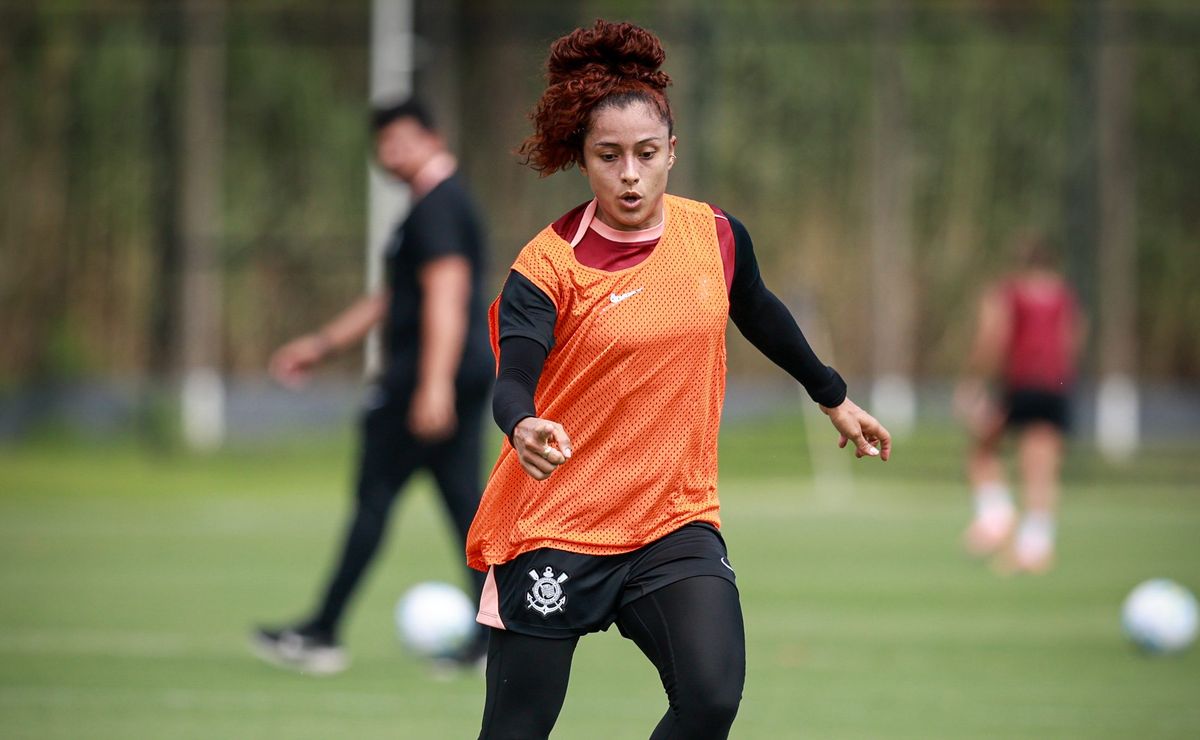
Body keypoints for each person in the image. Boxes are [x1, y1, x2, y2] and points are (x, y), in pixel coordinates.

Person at [466, 20, 891, 739]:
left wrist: (833, 396)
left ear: (672, 153)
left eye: (645, 154)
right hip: (555, 524)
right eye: (608, 157)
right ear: (582, 158)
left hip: (672, 521)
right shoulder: (547, 267)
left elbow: (758, 310)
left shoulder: (714, 236)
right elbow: (514, 377)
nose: (629, 174)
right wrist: (522, 422)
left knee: (711, 697)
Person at [251, 98, 494, 675]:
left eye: (401, 139)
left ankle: (322, 632)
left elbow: (446, 294)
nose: (389, 152)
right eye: (381, 143)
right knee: (466, 509)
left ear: (432, 138)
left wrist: (431, 386)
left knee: (374, 501)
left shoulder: (438, 205)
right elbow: (397, 297)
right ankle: (495, 637)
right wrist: (322, 344)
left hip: (423, 378)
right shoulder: (434, 206)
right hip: (451, 373)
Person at [955, 233, 1086, 574]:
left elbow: (993, 336)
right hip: (1056, 385)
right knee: (1041, 468)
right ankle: (1035, 547)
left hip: (1021, 383)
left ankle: (997, 517)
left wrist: (975, 379)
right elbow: (1073, 339)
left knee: (982, 450)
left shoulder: (1010, 291)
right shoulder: (1064, 296)